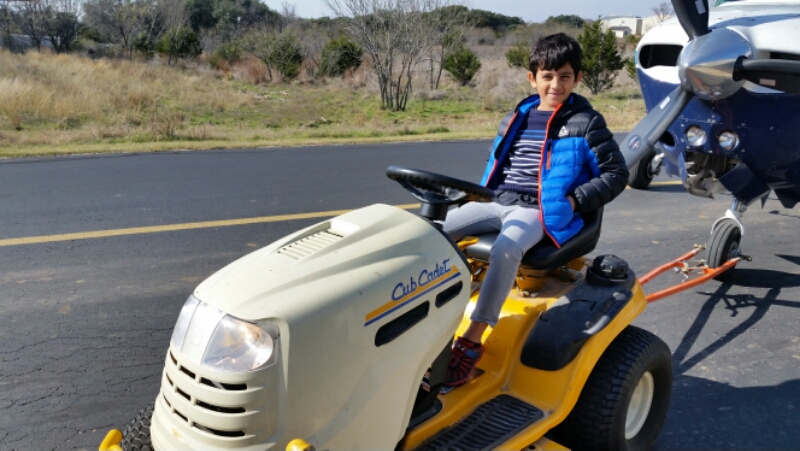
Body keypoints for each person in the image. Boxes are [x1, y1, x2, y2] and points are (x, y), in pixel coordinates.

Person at [442, 33, 629, 388]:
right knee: (430, 230)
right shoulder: (516, 117)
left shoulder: (587, 122)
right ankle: (431, 320)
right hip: (495, 200)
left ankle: (470, 342)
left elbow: (617, 174)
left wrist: (574, 202)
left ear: (577, 79)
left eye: (565, 77)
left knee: (506, 248)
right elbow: (497, 165)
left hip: (535, 210)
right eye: (548, 76)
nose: (555, 85)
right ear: (533, 78)